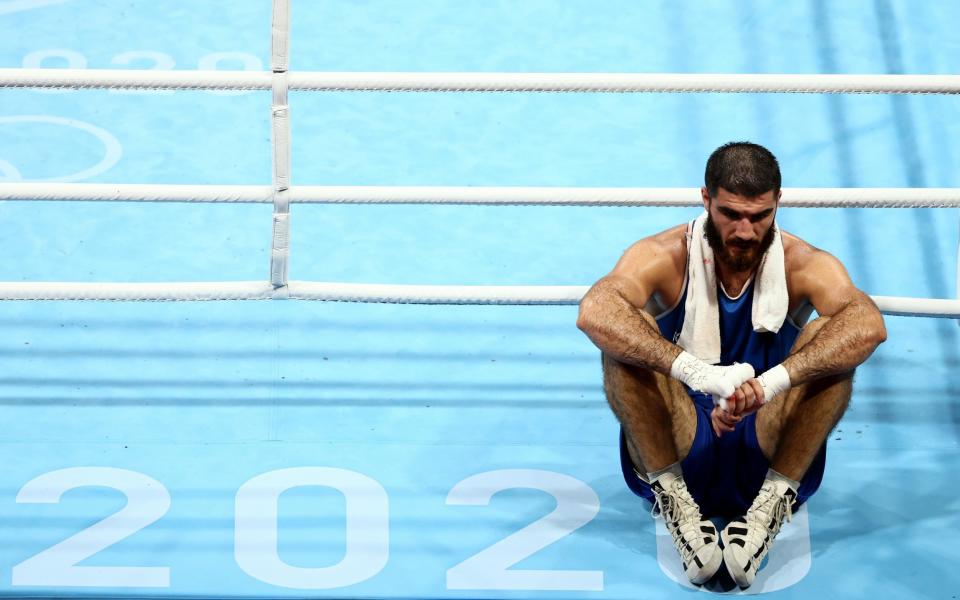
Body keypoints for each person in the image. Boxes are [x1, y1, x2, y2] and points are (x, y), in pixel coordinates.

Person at [576, 142, 886, 588]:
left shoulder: (803, 263)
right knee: (625, 333)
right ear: (706, 199)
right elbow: (595, 311)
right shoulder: (665, 256)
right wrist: (700, 375)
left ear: (777, 203)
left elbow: (867, 325)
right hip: (682, 442)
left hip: (768, 443)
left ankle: (771, 506)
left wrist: (770, 384)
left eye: (758, 217)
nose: (744, 230)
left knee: (831, 339)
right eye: (730, 214)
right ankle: (674, 498)